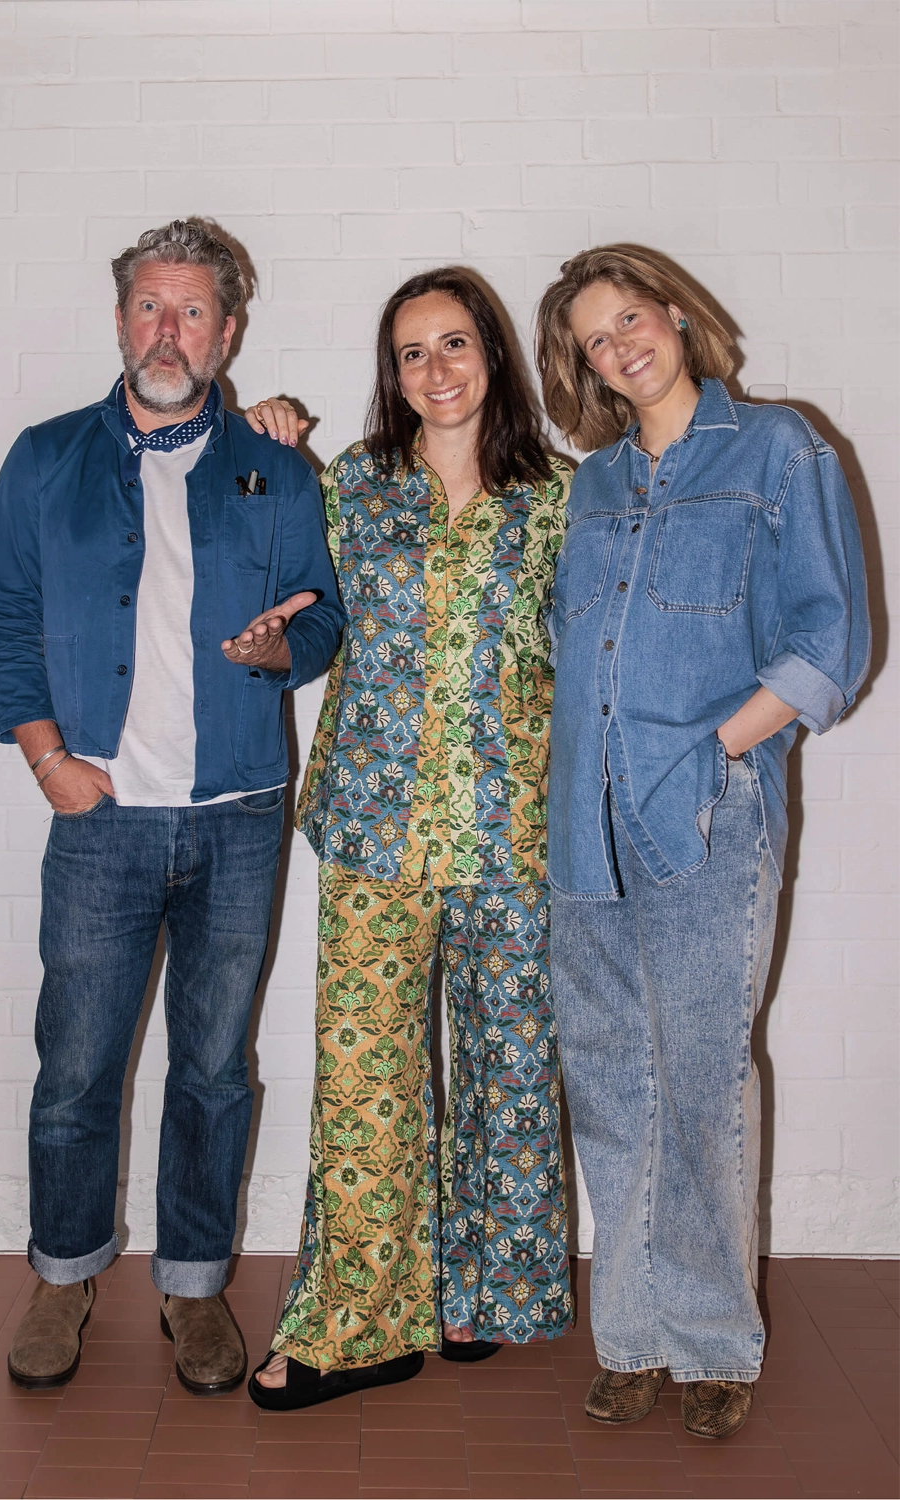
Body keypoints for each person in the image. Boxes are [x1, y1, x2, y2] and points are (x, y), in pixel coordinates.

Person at [0, 220, 344, 1394]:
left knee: (214, 1068)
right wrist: (47, 762)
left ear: (229, 331)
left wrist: (280, 651)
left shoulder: (277, 469)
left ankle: (194, 1286)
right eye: (147, 306)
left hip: (239, 817)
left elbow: (325, 616)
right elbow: (2, 622)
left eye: (191, 312)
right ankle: (63, 1275)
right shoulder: (43, 459)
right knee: (76, 1064)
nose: (166, 330)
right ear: (120, 317)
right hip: (100, 820)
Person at [535, 245, 870, 1439]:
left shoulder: (776, 451)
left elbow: (830, 642)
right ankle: (630, 1337)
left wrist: (718, 750)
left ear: (676, 317)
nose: (619, 345)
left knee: (702, 1084)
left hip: (705, 818)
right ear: (579, 363)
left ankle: (714, 1339)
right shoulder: (590, 487)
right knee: (613, 1087)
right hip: (580, 824)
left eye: (630, 317)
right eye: (591, 336)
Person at [243, 267, 574, 1411]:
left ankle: (479, 1291)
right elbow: (278, 575)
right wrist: (266, 436)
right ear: (390, 375)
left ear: (493, 356)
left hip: (513, 830)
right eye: (409, 354)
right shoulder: (348, 488)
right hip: (377, 822)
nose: (433, 372)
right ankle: (362, 1323)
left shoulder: (556, 499)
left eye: (453, 345)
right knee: (364, 1082)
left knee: (509, 1072)